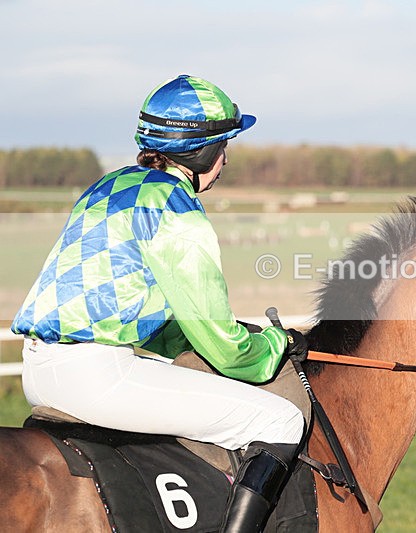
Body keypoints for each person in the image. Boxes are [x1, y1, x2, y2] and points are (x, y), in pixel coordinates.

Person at [11, 74, 306, 532]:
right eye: (224, 146)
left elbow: (148, 315)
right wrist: (272, 344)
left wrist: (199, 341)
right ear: (203, 151)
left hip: (39, 370)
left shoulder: (107, 186)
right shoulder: (178, 210)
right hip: (98, 376)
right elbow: (228, 351)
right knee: (280, 420)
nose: (226, 159)